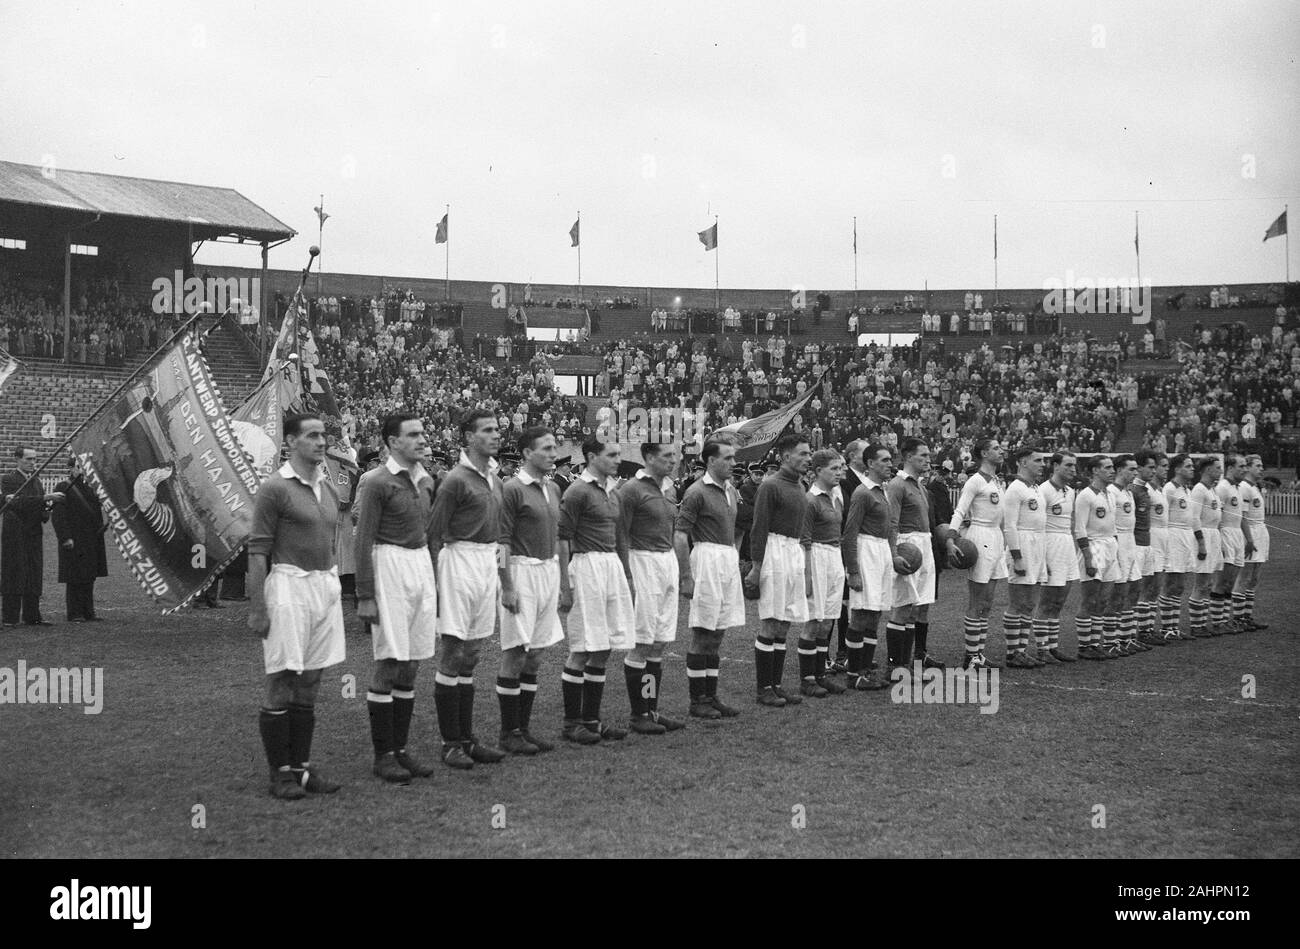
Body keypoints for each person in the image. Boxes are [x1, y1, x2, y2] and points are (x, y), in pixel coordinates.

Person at [246, 413, 345, 800]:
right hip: (288, 587)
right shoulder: (275, 488)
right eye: (312, 436)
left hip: (324, 587)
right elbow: (257, 553)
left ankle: (301, 768)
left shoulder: (327, 487)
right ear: (291, 441)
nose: (322, 442)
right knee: (282, 679)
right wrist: (258, 608)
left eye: (324, 435)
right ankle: (280, 773)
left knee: (311, 682)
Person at [354, 413, 443, 782]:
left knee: (413, 662)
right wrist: (365, 595)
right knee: (390, 660)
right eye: (413, 435)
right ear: (392, 442)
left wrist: (436, 584)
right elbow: (362, 539)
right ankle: (383, 754)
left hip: (419, 565)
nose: (423, 439)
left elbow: (431, 538)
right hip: (388, 564)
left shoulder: (426, 480)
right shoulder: (376, 482)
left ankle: (402, 749)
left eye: (423, 433)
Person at [428, 409, 509, 766]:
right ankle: (450, 743)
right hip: (458, 560)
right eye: (488, 430)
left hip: (486, 563)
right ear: (468, 437)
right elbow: (433, 535)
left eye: (497, 429)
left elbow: (501, 538)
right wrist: (434, 585)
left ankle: (468, 737)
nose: (496, 436)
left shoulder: (495, 479)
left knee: (473, 654)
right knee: (454, 651)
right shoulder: (454, 480)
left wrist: (505, 580)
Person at [558, 437, 635, 743]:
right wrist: (565, 585)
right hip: (586, 566)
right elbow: (562, 539)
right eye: (611, 455)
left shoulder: (613, 492)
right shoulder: (576, 491)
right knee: (582, 648)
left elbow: (621, 537)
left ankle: (592, 719)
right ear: (591, 457)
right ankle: (571, 722)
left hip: (610, 568)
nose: (618, 459)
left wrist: (626, 574)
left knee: (603, 648)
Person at [497, 426, 565, 755]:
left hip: (547, 572)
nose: (554, 453)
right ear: (526, 453)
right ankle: (508, 732)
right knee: (516, 653)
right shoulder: (512, 489)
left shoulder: (553, 488)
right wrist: (507, 585)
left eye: (555, 448)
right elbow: (501, 541)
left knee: (536, 655)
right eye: (547, 448)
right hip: (522, 573)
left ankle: (523, 729)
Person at [617, 441, 687, 732]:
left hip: (665, 562)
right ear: (648, 457)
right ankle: (639, 715)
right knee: (643, 642)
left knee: (659, 642)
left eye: (674, 456)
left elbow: (672, 532)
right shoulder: (632, 490)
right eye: (666, 456)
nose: (673, 461)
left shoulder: (669, 489)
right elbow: (620, 535)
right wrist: (628, 577)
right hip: (642, 562)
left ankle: (652, 710)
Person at [675, 436, 744, 720]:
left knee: (718, 631)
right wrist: (687, 577)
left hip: (726, 560)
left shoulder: (730, 491)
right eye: (727, 458)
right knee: (703, 632)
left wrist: (735, 558)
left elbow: (736, 530)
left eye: (733, 458)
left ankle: (711, 695)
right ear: (711, 460)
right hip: (705, 560)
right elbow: (680, 536)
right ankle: (697, 700)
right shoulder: (696, 492)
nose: (733, 463)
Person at [744, 434, 813, 707]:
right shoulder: (770, 486)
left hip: (793, 551)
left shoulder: (800, 486)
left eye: (809, 454)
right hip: (774, 550)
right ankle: (764, 689)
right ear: (786, 457)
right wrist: (756, 567)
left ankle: (776, 685)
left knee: (785, 621)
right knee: (771, 620)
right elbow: (758, 528)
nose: (808, 458)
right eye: (803, 454)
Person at [842, 443, 903, 688]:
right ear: (870, 464)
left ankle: (865, 671)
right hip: (866, 552)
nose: (890, 464)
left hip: (881, 555)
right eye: (885, 460)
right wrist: (854, 571)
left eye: (891, 460)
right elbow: (849, 534)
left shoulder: (883, 491)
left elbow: (889, 529)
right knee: (860, 615)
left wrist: (893, 554)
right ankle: (854, 674)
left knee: (875, 613)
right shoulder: (862, 493)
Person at [947, 438, 1008, 669]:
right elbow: (960, 510)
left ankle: (978, 654)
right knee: (977, 600)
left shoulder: (997, 481)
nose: (1000, 451)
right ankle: (970, 657)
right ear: (984, 453)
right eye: (996, 448)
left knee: (988, 602)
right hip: (979, 536)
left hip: (995, 538)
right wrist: (951, 538)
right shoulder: (975, 481)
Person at [885, 438, 945, 674]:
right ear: (908, 457)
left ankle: (907, 664)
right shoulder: (897, 485)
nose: (928, 460)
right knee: (902, 606)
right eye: (924, 456)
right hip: (907, 544)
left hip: (924, 544)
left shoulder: (920, 486)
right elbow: (891, 523)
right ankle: (894, 666)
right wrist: (894, 554)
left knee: (915, 607)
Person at [801, 449, 848, 696]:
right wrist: (807, 575)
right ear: (818, 471)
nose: (839, 473)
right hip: (816, 557)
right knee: (813, 620)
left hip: (834, 556)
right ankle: (807, 679)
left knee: (828, 619)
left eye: (841, 468)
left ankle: (821, 675)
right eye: (834, 468)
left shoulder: (835, 497)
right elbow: (804, 540)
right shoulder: (810, 500)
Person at [2, 447, 60, 627]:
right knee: (15, 572)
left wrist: (45, 510)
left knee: (34, 572)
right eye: (28, 459)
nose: (32, 462)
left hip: (34, 533)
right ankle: (10, 617)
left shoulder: (36, 480)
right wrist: (44, 498)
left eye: (34, 459)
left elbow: (37, 505)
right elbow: (19, 503)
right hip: (16, 534)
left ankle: (32, 615)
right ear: (17, 459)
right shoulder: (9, 480)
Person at [1001, 448, 1048, 667]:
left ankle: (1021, 649)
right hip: (1022, 545)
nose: (1042, 464)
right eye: (1037, 460)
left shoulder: (1036, 488)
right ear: (1023, 462)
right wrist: (1017, 556)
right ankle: (1013, 653)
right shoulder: (1015, 489)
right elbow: (1009, 525)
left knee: (1030, 602)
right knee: (1018, 601)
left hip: (1038, 545)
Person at [1033, 452, 1079, 661]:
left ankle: (1052, 646)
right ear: (1055, 466)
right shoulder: (1043, 491)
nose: (1073, 470)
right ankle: (1042, 649)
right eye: (1068, 465)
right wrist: (1043, 559)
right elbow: (1039, 526)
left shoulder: (1071, 492)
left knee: (1060, 600)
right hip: (1050, 544)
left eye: (1074, 466)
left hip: (1067, 544)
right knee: (1047, 601)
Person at [1074, 455, 1120, 660]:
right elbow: (1079, 529)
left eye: (1112, 468)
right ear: (1095, 471)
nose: (1112, 471)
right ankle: (1085, 646)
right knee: (1090, 600)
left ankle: (1095, 643)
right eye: (1107, 468)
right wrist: (1089, 557)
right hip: (1095, 547)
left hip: (1110, 546)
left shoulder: (1110, 494)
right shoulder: (1086, 495)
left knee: (1103, 599)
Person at [51, 456, 108, 623]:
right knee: (75, 577)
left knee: (89, 576)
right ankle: (75, 612)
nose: (81, 470)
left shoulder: (89, 488)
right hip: (74, 539)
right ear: (71, 469)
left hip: (90, 539)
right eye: (78, 467)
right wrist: (65, 537)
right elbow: (59, 516)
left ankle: (88, 612)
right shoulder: (64, 486)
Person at [1160, 454, 1198, 642]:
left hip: (1186, 537)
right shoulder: (1169, 489)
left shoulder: (1187, 490)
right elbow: (1162, 518)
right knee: (1171, 584)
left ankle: (1173, 627)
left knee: (1180, 585)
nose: (1192, 469)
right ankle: (1167, 627)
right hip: (1173, 536)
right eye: (1188, 466)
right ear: (1177, 469)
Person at [1187, 456, 1224, 638]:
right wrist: (1201, 543)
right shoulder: (1199, 490)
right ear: (1208, 469)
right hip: (1204, 536)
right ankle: (1196, 625)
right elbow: (1194, 518)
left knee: (1208, 582)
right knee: (1201, 582)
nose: (1221, 471)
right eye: (1217, 468)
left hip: (1214, 535)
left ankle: (1202, 622)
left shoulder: (1213, 490)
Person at [1211, 454, 1248, 634]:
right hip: (1225, 533)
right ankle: (1217, 622)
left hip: (1237, 535)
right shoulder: (1222, 488)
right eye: (1241, 466)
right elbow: (1217, 516)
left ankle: (1225, 620)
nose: (1244, 469)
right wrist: (1220, 541)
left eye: (1245, 466)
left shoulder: (1238, 488)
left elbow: (1240, 517)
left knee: (1231, 581)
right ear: (1230, 468)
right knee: (1222, 581)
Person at [1233, 454, 1268, 631]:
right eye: (1258, 465)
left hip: (1261, 532)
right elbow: (1242, 517)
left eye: (1262, 466)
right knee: (1244, 576)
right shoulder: (1244, 488)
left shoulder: (1255, 487)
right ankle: (1237, 617)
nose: (1261, 468)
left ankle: (1247, 616)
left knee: (1254, 578)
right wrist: (1249, 539)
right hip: (1251, 533)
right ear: (1248, 467)